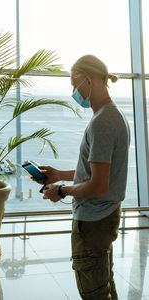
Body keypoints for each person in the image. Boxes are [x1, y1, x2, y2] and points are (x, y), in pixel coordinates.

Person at [37, 55, 130, 300]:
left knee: (94, 293)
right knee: (104, 286)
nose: (73, 91)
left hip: (93, 221)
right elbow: (96, 172)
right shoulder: (112, 116)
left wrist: (61, 191)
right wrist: (58, 175)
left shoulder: (102, 123)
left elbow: (98, 186)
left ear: (88, 80)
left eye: (74, 84)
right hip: (104, 217)